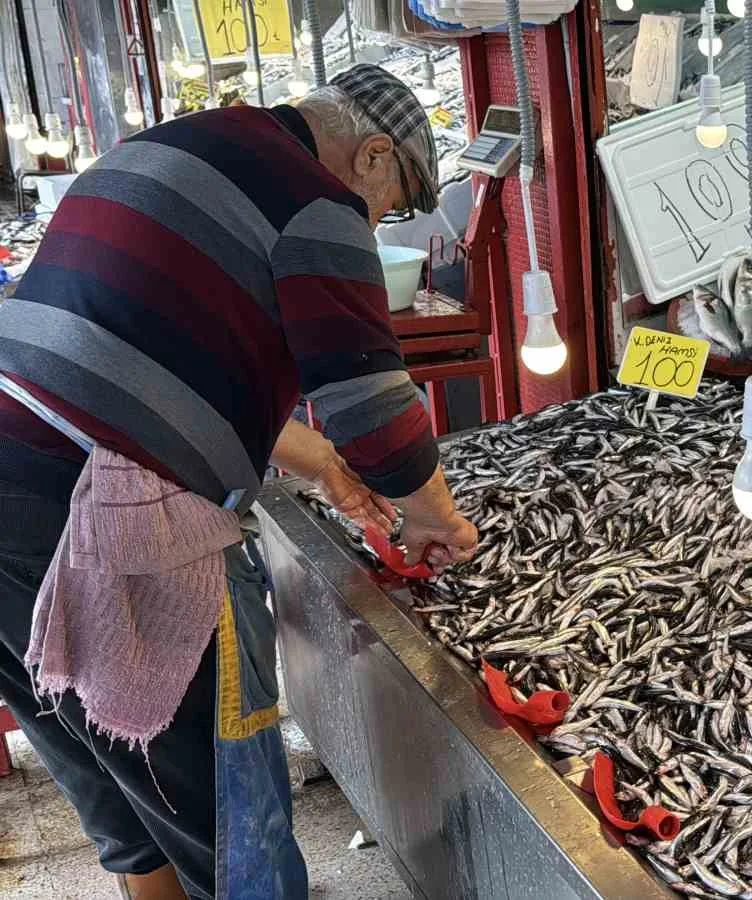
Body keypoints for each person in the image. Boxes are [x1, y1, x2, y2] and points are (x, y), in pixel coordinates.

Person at [0, 65, 478, 899]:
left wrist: (318, 461)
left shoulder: (170, 146)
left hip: (14, 479)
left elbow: (145, 356)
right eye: (394, 201)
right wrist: (433, 517)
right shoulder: (316, 201)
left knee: (120, 793)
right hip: (101, 518)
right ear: (372, 155)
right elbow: (371, 406)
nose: (379, 223)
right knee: (230, 819)